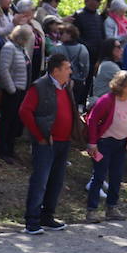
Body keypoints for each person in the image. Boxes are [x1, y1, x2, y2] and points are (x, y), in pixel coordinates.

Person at [18, 54, 77, 235]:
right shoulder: (40, 86)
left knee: (56, 181)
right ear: (56, 70)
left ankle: (47, 216)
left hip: (63, 142)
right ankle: (32, 220)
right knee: (40, 181)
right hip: (46, 143)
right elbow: (25, 111)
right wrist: (39, 135)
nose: (70, 71)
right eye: (67, 68)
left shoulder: (66, 87)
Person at [83, 69, 127, 223]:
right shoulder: (106, 100)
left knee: (116, 177)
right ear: (123, 86)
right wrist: (92, 143)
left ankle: (111, 208)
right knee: (99, 176)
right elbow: (92, 120)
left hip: (121, 145)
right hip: (103, 145)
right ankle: (91, 211)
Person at [0, 23, 32, 162]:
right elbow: (3, 69)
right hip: (12, 91)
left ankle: (10, 148)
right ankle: (2, 149)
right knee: (6, 121)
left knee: (15, 121)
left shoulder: (21, 49)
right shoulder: (9, 48)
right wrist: (11, 89)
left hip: (21, 91)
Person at [89, 37, 122, 105]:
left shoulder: (105, 64)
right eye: (118, 47)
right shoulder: (108, 65)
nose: (122, 49)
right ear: (110, 49)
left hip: (104, 103)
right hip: (104, 105)